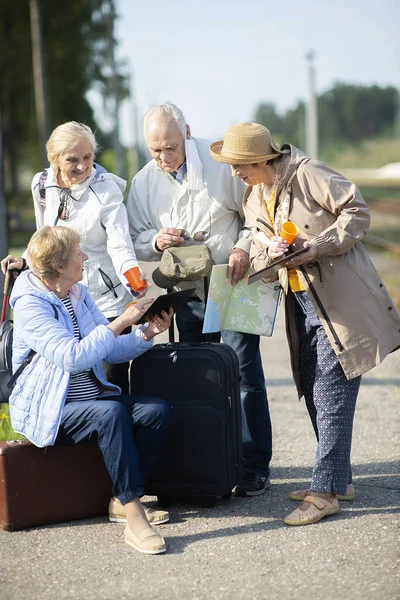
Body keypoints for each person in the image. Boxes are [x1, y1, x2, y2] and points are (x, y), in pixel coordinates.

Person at [210, 122, 400, 525]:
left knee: (331, 395)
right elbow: (261, 251)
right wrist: (271, 250)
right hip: (300, 303)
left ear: (262, 159)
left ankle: (325, 491)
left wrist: (317, 245)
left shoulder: (309, 172)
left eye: (238, 164)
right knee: (313, 391)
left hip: (340, 304)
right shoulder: (254, 198)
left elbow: (357, 211)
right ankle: (340, 478)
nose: (233, 173)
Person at [127, 103, 272, 497]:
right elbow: (136, 236)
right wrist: (156, 241)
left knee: (243, 370)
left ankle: (255, 465)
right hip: (186, 285)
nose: (164, 157)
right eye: (155, 150)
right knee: (198, 375)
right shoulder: (143, 182)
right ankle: (212, 457)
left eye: (170, 146)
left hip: (235, 277)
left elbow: (256, 213)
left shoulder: (221, 163)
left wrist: (244, 247)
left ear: (187, 133)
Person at [9, 225, 174, 554]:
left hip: (92, 402)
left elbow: (109, 349)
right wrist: (121, 322)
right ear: (58, 266)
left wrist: (145, 332)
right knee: (110, 411)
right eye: (77, 254)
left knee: (156, 411)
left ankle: (118, 499)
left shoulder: (77, 293)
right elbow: (72, 358)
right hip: (52, 410)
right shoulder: (30, 306)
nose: (85, 257)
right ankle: (134, 514)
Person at [1, 121, 144, 394]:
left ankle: (118, 432)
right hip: (64, 298)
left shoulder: (107, 190)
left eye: (88, 157)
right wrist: (26, 261)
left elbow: (120, 245)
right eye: (72, 160)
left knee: (111, 384)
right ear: (54, 159)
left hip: (107, 301)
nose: (82, 166)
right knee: (73, 382)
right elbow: (44, 238)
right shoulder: (42, 185)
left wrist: (135, 281)